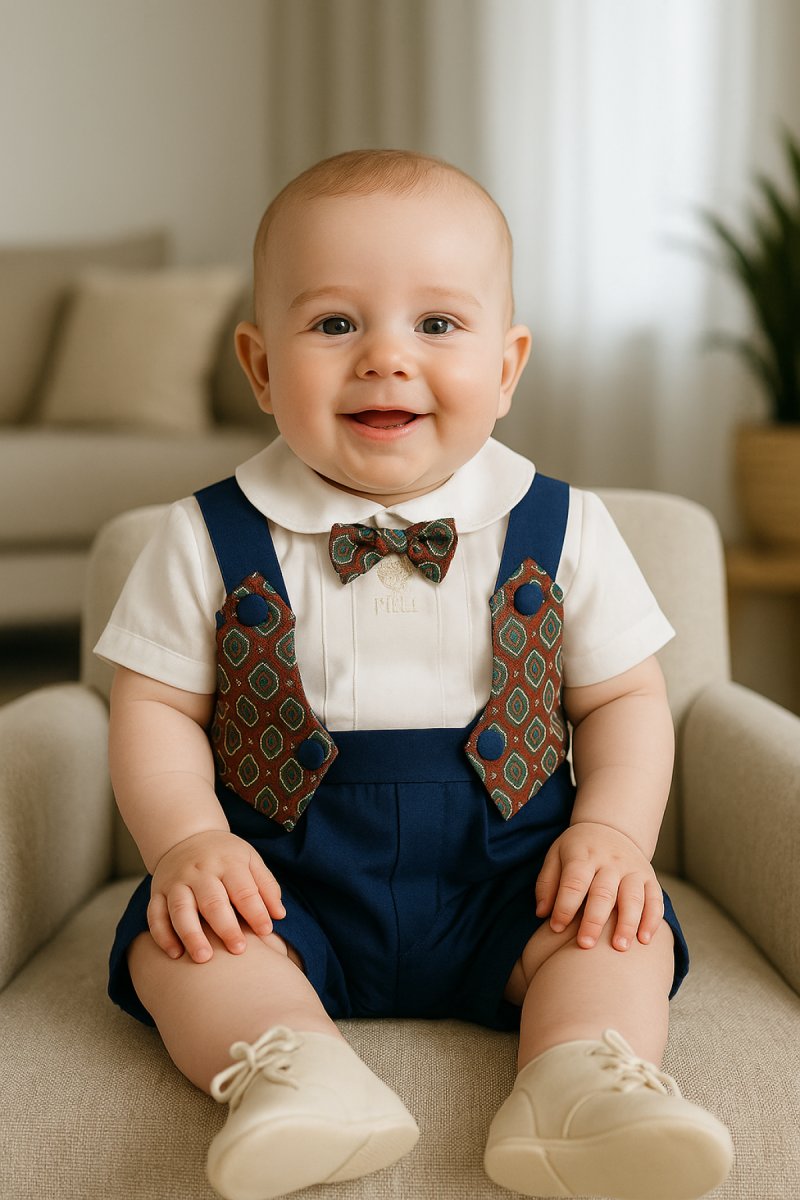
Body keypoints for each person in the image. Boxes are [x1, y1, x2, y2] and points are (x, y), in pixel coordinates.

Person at [97, 148, 733, 1200]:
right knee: (181, 944)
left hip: (514, 871)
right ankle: (289, 1068)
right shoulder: (198, 538)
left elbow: (622, 699)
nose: (385, 358)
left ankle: (578, 1080)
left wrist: (611, 836)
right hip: (282, 873)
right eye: (334, 323)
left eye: (436, 325)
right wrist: (192, 844)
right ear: (259, 367)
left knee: (615, 928)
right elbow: (155, 709)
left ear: (505, 364)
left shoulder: (567, 526)